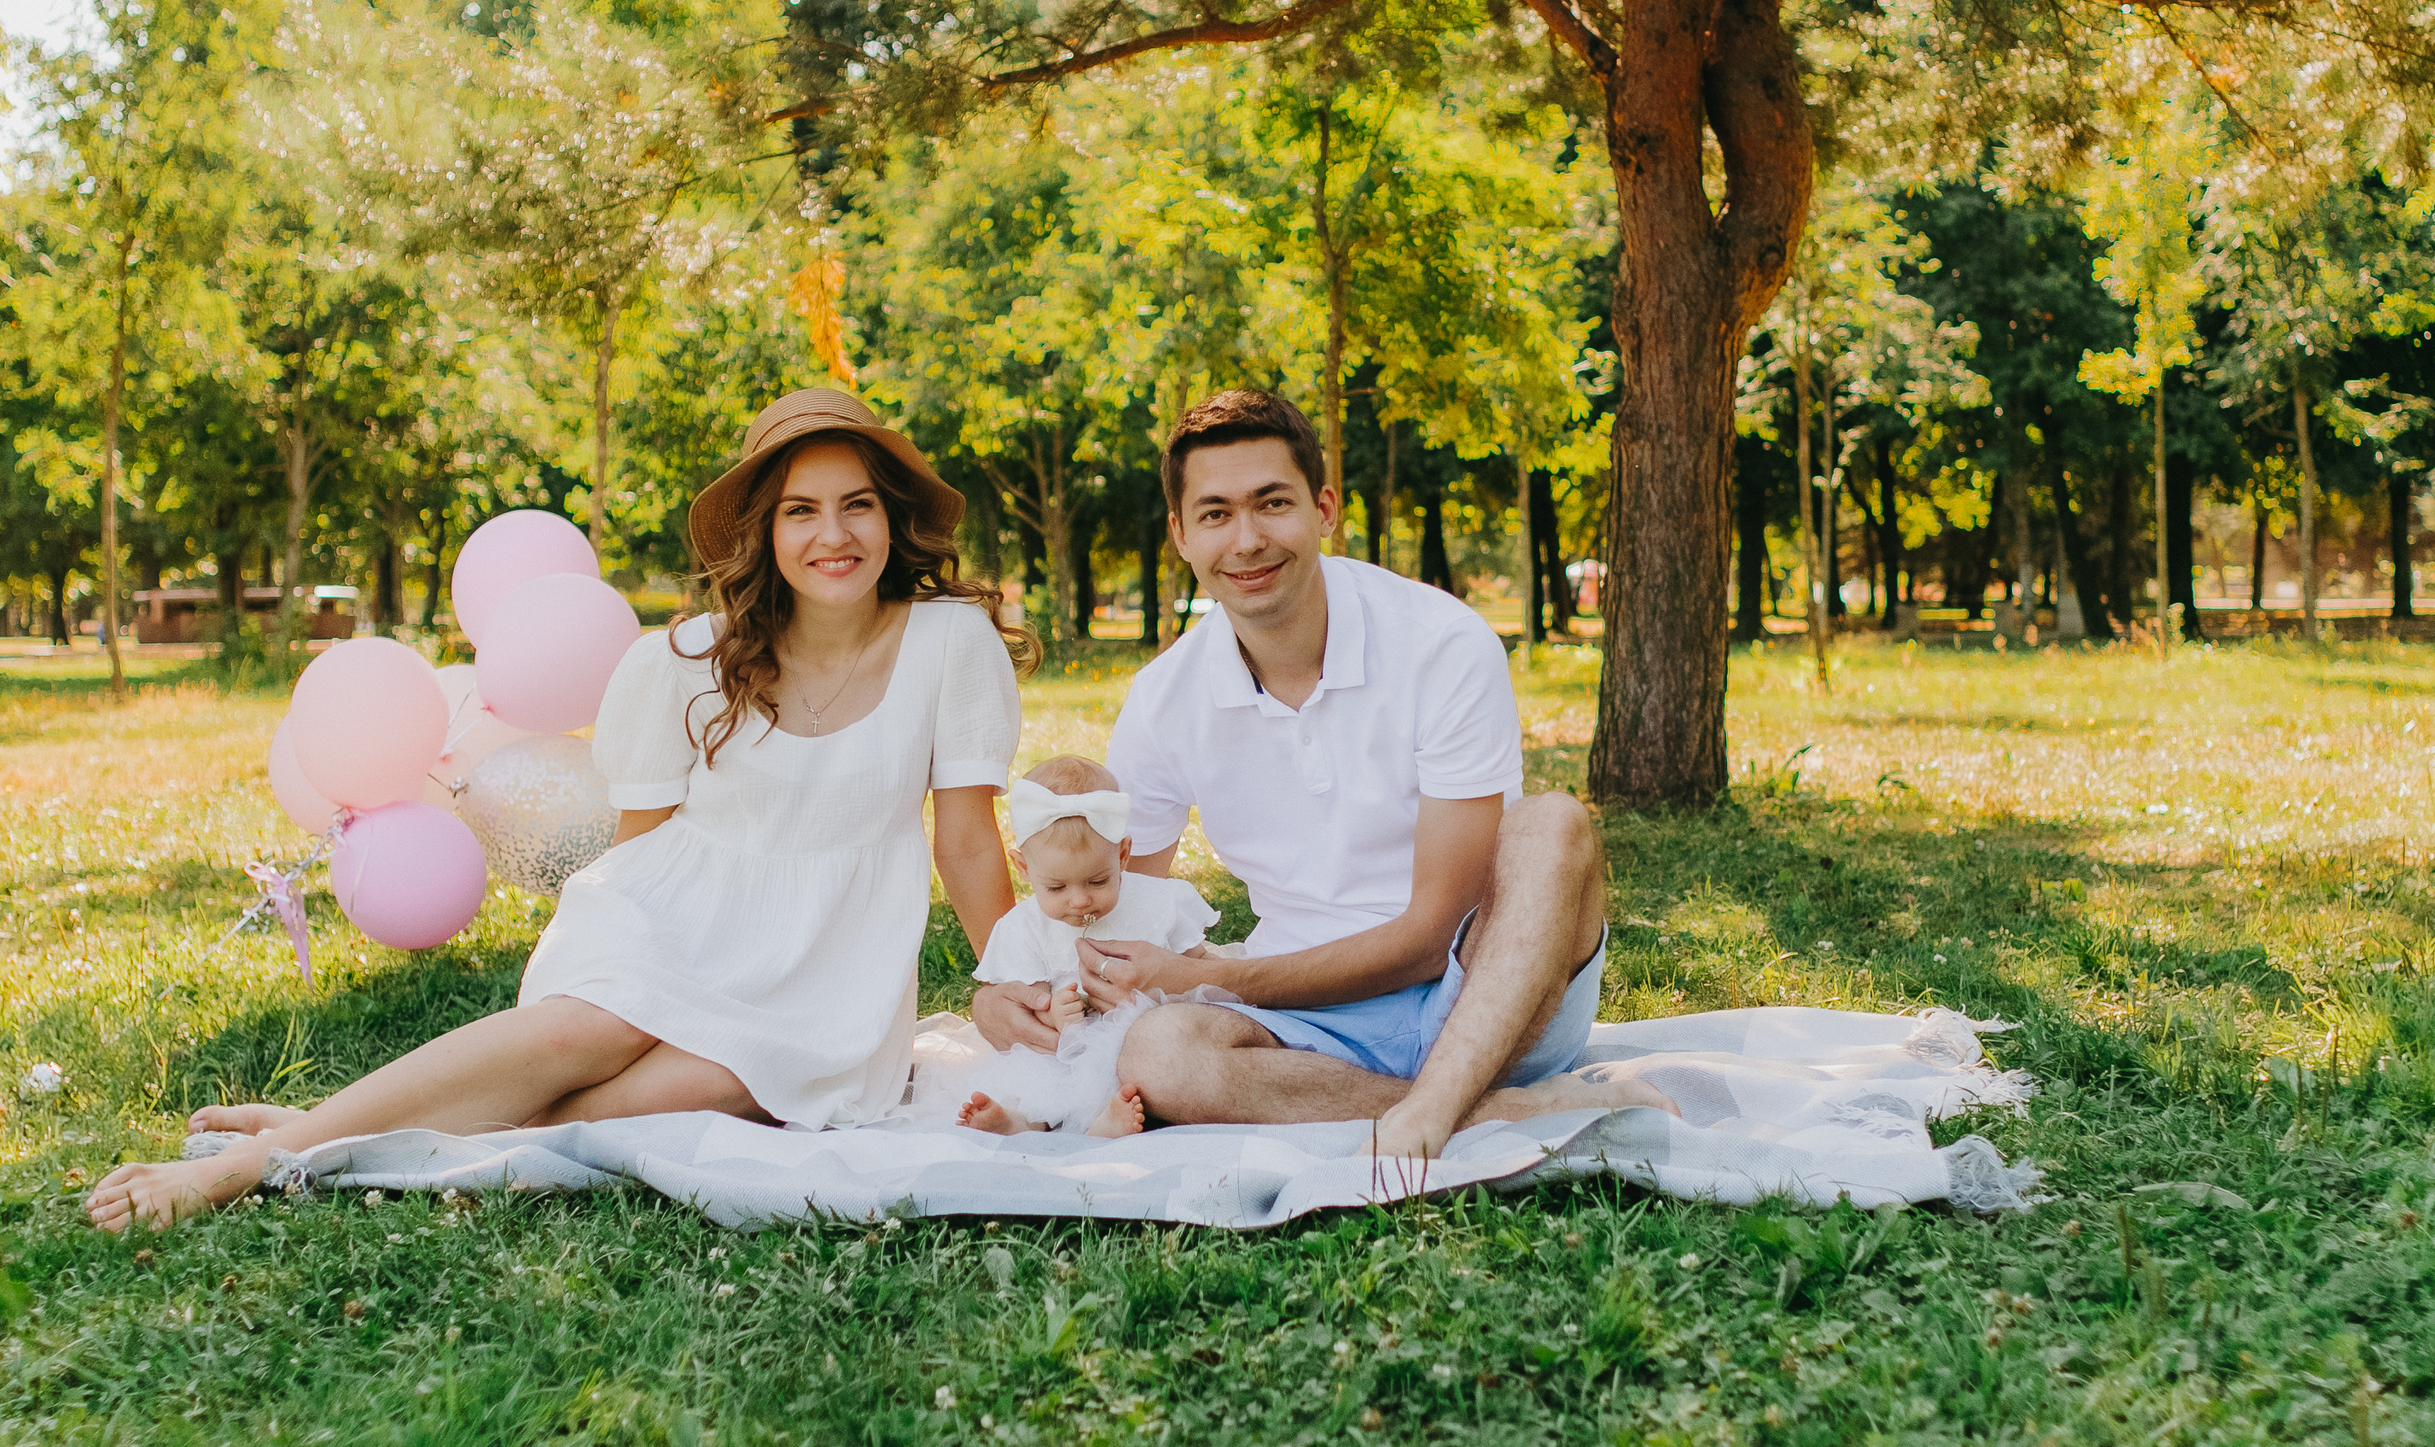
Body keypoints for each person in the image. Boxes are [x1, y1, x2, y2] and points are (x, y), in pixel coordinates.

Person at [88, 388, 1028, 1233]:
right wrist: (627, 977)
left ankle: (323, 1129)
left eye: (857, 503)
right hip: (684, 915)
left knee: (621, 1108)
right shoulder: (693, 657)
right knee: (579, 1036)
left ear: (893, 517)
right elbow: (644, 856)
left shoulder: (949, 641)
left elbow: (965, 842)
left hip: (825, 974)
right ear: (764, 531)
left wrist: (1021, 971)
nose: (835, 534)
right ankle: (255, 1164)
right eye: (802, 510)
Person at [972, 390, 1673, 1161]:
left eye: (1272, 502)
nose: (1247, 539)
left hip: (1483, 993)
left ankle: (1428, 1116)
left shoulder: (1442, 643)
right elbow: (1110, 919)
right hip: (1311, 1029)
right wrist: (1005, 1001)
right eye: (1214, 514)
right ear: (1180, 534)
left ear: (1324, 507)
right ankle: (1505, 1114)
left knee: (1552, 824)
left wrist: (1223, 978)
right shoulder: (1164, 699)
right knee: (1158, 1051)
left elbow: (1427, 934)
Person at [951, 754, 1221, 1138]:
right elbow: (1028, 1008)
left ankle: (1107, 1119)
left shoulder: (1158, 902)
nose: (1079, 900)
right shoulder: (1025, 928)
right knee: (1035, 1070)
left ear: (1123, 854)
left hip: (1148, 1035)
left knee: (1143, 1063)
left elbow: (1200, 965)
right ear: (1024, 869)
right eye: (1057, 887)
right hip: (1066, 1048)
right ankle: (1019, 1118)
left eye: (1097, 882)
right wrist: (1055, 1015)